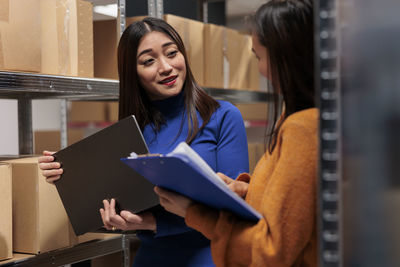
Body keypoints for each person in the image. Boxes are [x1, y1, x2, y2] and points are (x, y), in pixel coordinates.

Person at [38, 17, 249, 267]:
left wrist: (152, 223)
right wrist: (66, 175)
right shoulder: (129, 134)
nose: (166, 67)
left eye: (172, 53)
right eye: (149, 61)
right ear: (133, 73)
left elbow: (235, 210)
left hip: (210, 259)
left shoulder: (223, 116)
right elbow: (111, 201)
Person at [154, 0, 318, 266]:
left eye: (259, 56)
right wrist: (242, 188)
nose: (261, 69)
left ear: (285, 55)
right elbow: (290, 199)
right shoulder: (293, 118)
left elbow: (272, 250)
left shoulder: (301, 129)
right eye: (148, 60)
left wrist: (192, 212)